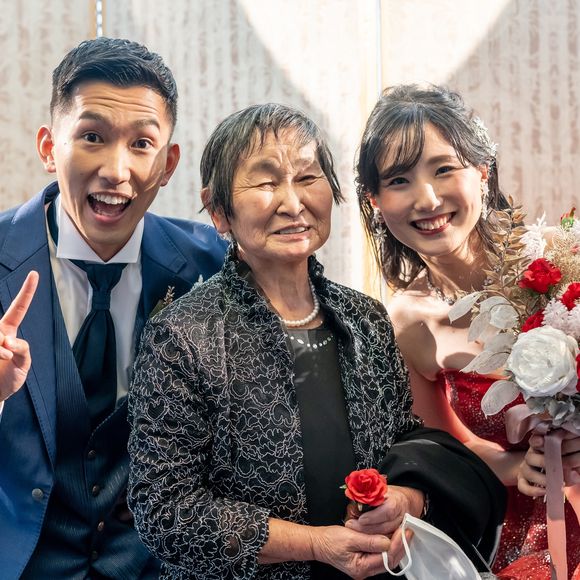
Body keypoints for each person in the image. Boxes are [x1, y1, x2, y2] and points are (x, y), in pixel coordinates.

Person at [128, 102, 506, 579]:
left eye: (308, 178)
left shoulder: (365, 318)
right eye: (266, 183)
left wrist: (407, 498)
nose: (293, 203)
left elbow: (405, 437)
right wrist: (316, 545)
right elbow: (164, 510)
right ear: (219, 210)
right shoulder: (182, 335)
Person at [0, 37, 226, 579]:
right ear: (49, 147)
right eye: (92, 137)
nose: (116, 170)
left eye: (142, 143)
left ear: (168, 164)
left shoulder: (213, 264)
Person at [356, 83, 580, 577]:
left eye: (443, 169)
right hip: (524, 527)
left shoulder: (561, 258)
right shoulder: (408, 322)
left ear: (482, 171)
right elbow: (447, 446)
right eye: (399, 180)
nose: (427, 199)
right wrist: (514, 467)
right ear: (375, 200)